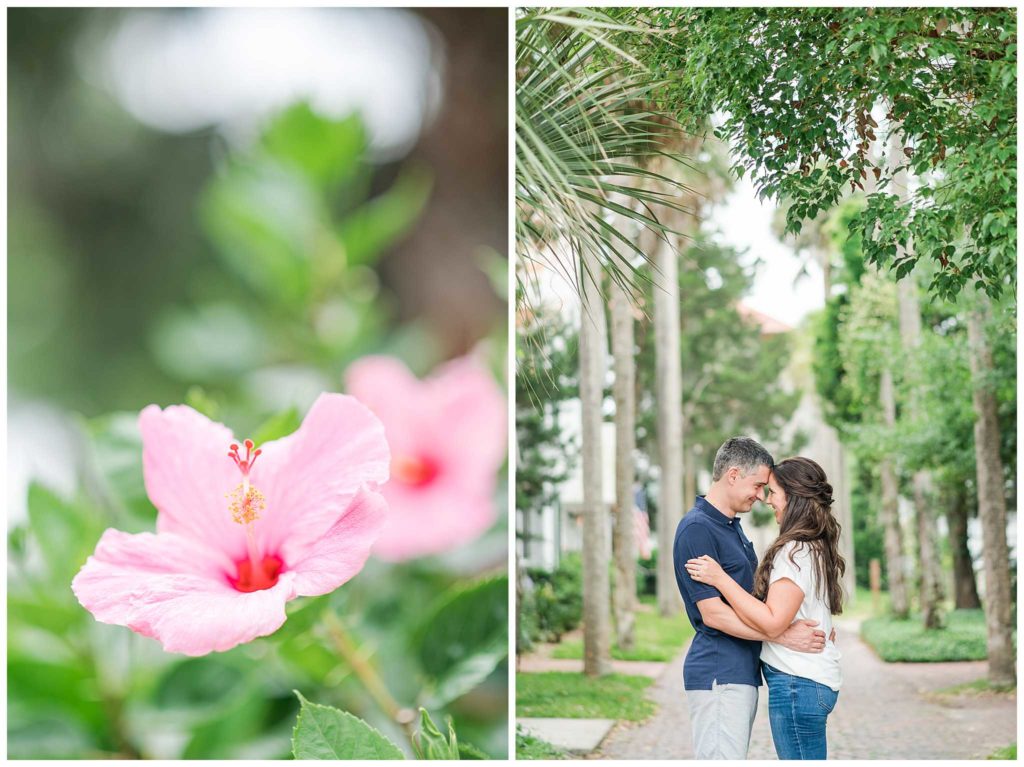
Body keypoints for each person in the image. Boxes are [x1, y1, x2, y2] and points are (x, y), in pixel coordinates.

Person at [673, 438, 830, 760]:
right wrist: (783, 634)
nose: (761, 496)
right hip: (719, 671)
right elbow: (714, 614)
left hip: (742, 671)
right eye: (758, 485)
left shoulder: (731, 527)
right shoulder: (697, 529)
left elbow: (758, 601)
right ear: (733, 475)